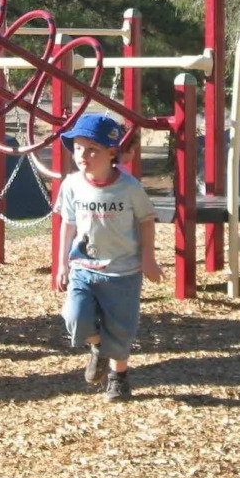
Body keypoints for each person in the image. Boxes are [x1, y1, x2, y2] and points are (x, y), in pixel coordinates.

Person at [54, 112, 163, 402]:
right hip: (83, 267)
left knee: (121, 328)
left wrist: (148, 258)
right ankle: (98, 348)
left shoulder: (129, 188)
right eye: (78, 148)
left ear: (111, 153)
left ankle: (119, 378)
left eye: (92, 149)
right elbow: (68, 224)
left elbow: (146, 220)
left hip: (123, 270)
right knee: (74, 317)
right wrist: (61, 263)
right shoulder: (72, 185)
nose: (83, 156)